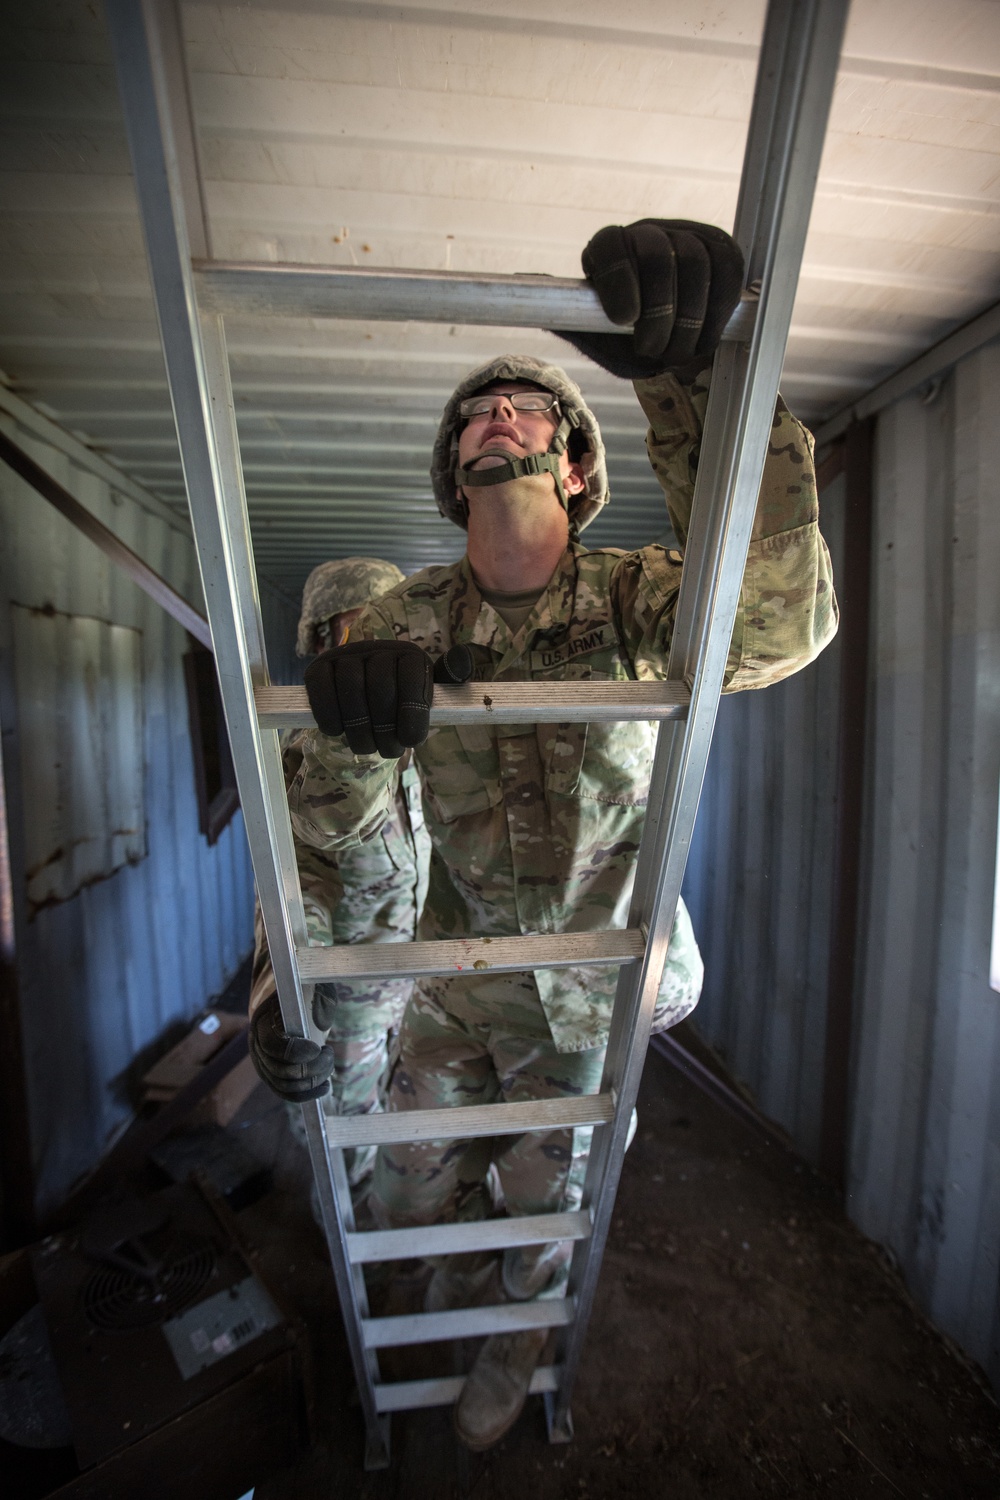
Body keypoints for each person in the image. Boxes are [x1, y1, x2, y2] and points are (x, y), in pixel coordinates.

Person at [276, 220, 839, 1448]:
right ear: (450, 472)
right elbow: (329, 839)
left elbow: (777, 627)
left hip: (590, 988)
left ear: (576, 469)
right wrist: (340, 744)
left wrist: (696, 383)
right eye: (478, 411)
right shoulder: (395, 620)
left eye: (529, 405)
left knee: (544, 1203)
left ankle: (515, 1336)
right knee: (405, 1182)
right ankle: (424, 1295)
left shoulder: (642, 601)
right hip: (444, 982)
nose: (498, 412)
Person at [248, 557, 430, 1188]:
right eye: (361, 630)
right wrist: (282, 996)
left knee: (416, 1126)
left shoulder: (430, 735)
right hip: (349, 995)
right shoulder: (299, 749)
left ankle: (397, 1232)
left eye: (392, 631)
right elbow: (291, 887)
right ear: (322, 643)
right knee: (342, 1133)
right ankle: (351, 1240)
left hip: (431, 987)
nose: (378, 649)